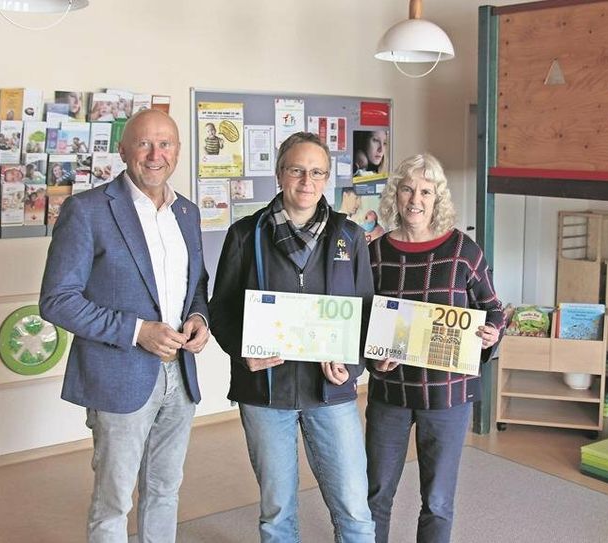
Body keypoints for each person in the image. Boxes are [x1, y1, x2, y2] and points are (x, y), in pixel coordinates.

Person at [40, 109, 210, 543]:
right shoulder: (87, 210)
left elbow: (197, 284)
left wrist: (198, 317)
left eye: (166, 144)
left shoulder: (186, 212)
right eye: (144, 144)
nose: (156, 155)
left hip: (180, 374)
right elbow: (57, 301)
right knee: (114, 500)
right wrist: (138, 331)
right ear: (123, 150)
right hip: (119, 376)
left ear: (177, 151)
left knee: (165, 490)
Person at [208, 131, 376, 543]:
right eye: (297, 170)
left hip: (331, 393)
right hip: (265, 393)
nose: (307, 181)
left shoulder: (349, 236)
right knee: (277, 511)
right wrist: (243, 351)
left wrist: (351, 366)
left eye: (317, 172)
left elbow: (365, 310)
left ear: (327, 179)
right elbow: (222, 309)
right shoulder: (246, 234)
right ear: (280, 174)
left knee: (355, 508)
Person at [365, 153, 505, 543]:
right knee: (376, 494)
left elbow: (493, 309)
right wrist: (375, 359)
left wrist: (492, 332)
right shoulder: (375, 253)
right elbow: (362, 321)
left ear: (437, 198)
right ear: (396, 194)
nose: (416, 199)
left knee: (439, 500)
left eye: (426, 191)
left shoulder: (463, 250)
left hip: (448, 395)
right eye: (408, 188)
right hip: (390, 394)